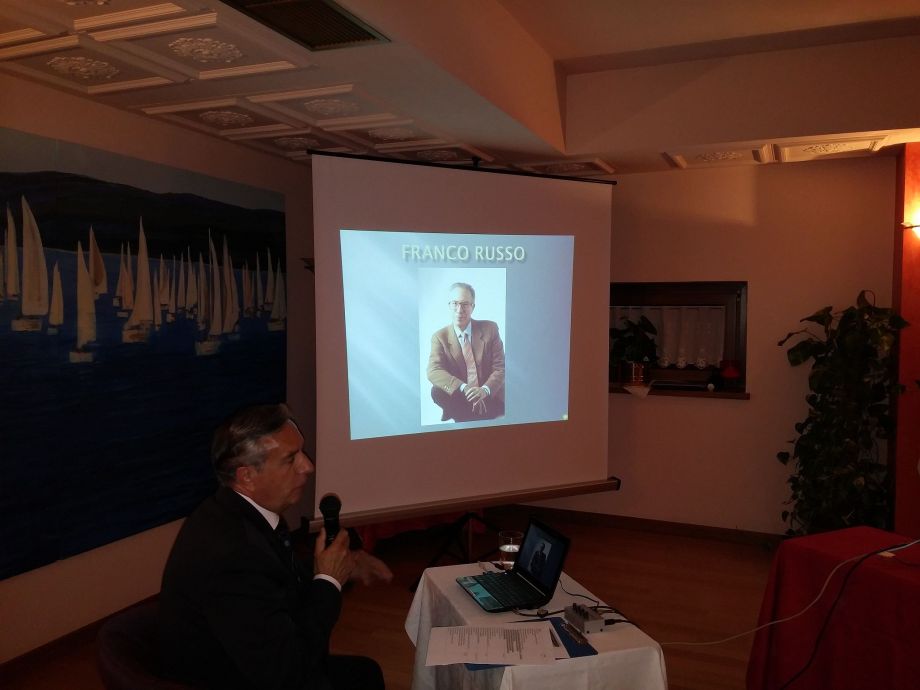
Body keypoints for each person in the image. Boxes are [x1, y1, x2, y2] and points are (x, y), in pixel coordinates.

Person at [158, 403, 392, 690]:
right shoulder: (232, 554)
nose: (308, 466)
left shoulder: (236, 512)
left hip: (260, 663)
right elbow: (287, 671)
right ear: (247, 476)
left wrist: (342, 567)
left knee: (366, 673)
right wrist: (328, 581)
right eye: (290, 459)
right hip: (239, 678)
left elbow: (274, 579)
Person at [427, 282, 505, 422]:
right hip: (461, 397)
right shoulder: (439, 337)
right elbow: (433, 371)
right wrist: (464, 388)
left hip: (489, 395)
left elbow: (500, 368)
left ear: (473, 306)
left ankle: (468, 419)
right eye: (455, 303)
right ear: (449, 305)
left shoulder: (490, 329)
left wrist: (484, 390)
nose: (459, 310)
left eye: (465, 304)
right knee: (436, 391)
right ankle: (472, 417)